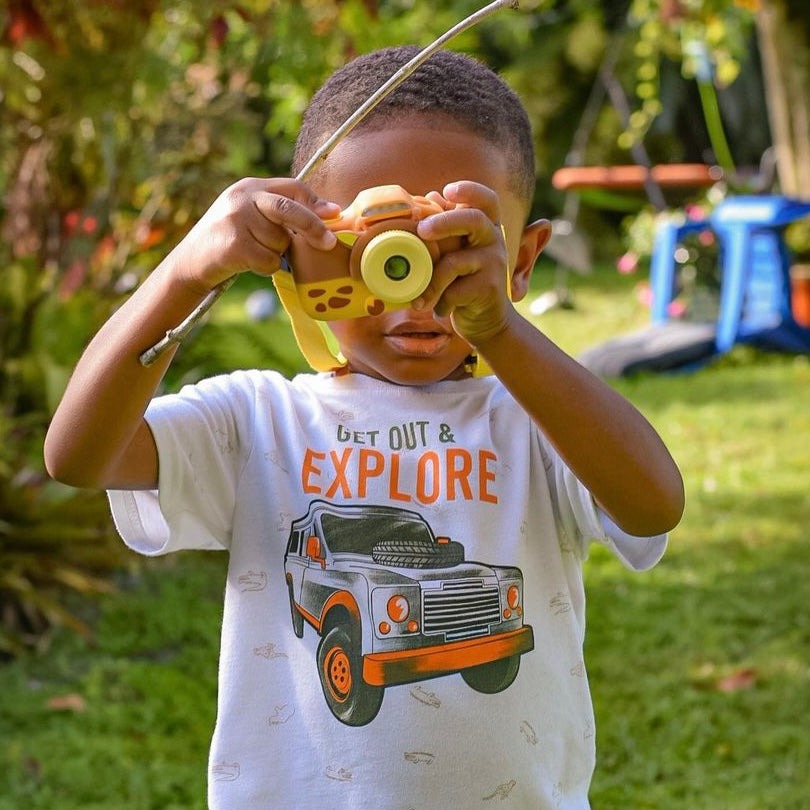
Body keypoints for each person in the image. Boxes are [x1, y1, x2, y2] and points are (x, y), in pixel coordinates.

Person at [44, 45, 684, 810]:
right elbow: (79, 454)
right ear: (295, 260)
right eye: (370, 254)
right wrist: (188, 270)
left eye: (449, 248)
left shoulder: (542, 420)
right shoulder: (258, 421)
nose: (411, 296)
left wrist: (504, 331)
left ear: (522, 260)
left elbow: (654, 503)